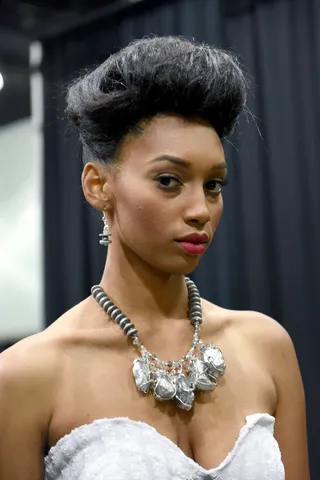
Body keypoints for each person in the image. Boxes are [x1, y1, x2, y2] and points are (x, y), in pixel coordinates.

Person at [0, 36, 309, 480]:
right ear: (98, 186)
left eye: (214, 185)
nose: (200, 209)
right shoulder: (27, 375)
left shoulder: (266, 347)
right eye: (168, 180)